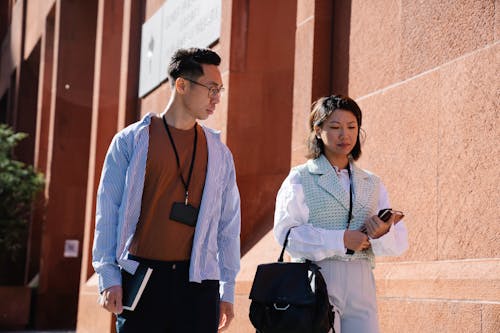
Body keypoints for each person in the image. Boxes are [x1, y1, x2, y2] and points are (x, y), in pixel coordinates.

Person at [92, 48, 241, 332]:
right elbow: (107, 210)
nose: (217, 98)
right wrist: (108, 275)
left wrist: (228, 289)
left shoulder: (219, 153)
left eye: (220, 90)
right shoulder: (131, 142)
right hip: (142, 277)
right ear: (182, 85)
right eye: (211, 89)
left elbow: (228, 225)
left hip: (198, 282)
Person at [273, 95, 408, 333]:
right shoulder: (300, 177)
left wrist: (382, 233)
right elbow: (286, 235)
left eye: (351, 127)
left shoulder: (372, 182)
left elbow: (398, 246)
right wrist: (340, 240)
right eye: (335, 127)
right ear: (317, 130)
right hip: (316, 275)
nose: (344, 135)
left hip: (362, 278)